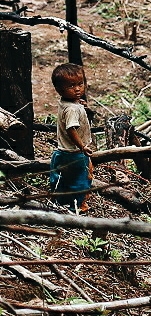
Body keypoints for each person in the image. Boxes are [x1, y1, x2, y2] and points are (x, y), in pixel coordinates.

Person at [49, 63, 93, 211]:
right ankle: (78, 205)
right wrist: (82, 146)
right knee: (82, 179)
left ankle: (59, 200)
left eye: (80, 84)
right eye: (71, 86)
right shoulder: (71, 109)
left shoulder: (67, 102)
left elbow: (70, 106)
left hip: (61, 151)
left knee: (61, 178)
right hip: (75, 153)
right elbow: (71, 128)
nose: (78, 89)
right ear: (60, 89)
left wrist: (79, 104)